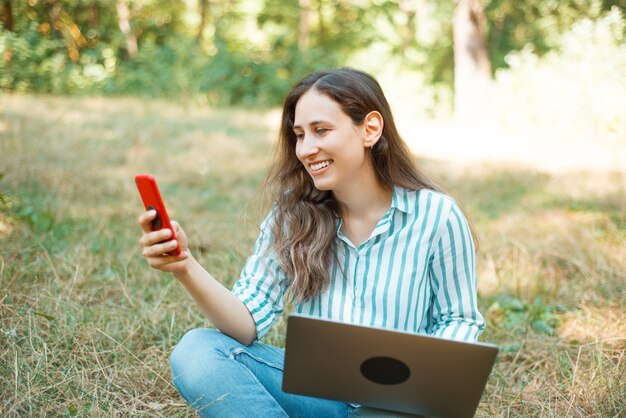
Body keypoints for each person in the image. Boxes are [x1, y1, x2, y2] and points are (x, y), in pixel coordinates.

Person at [137, 68, 485, 417]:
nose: (306, 149)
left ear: (370, 129)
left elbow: (459, 319)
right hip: (315, 396)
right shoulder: (291, 216)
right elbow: (246, 322)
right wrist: (185, 266)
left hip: (396, 403)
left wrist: (423, 385)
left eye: (321, 131)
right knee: (196, 351)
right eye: (300, 135)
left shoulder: (436, 216)